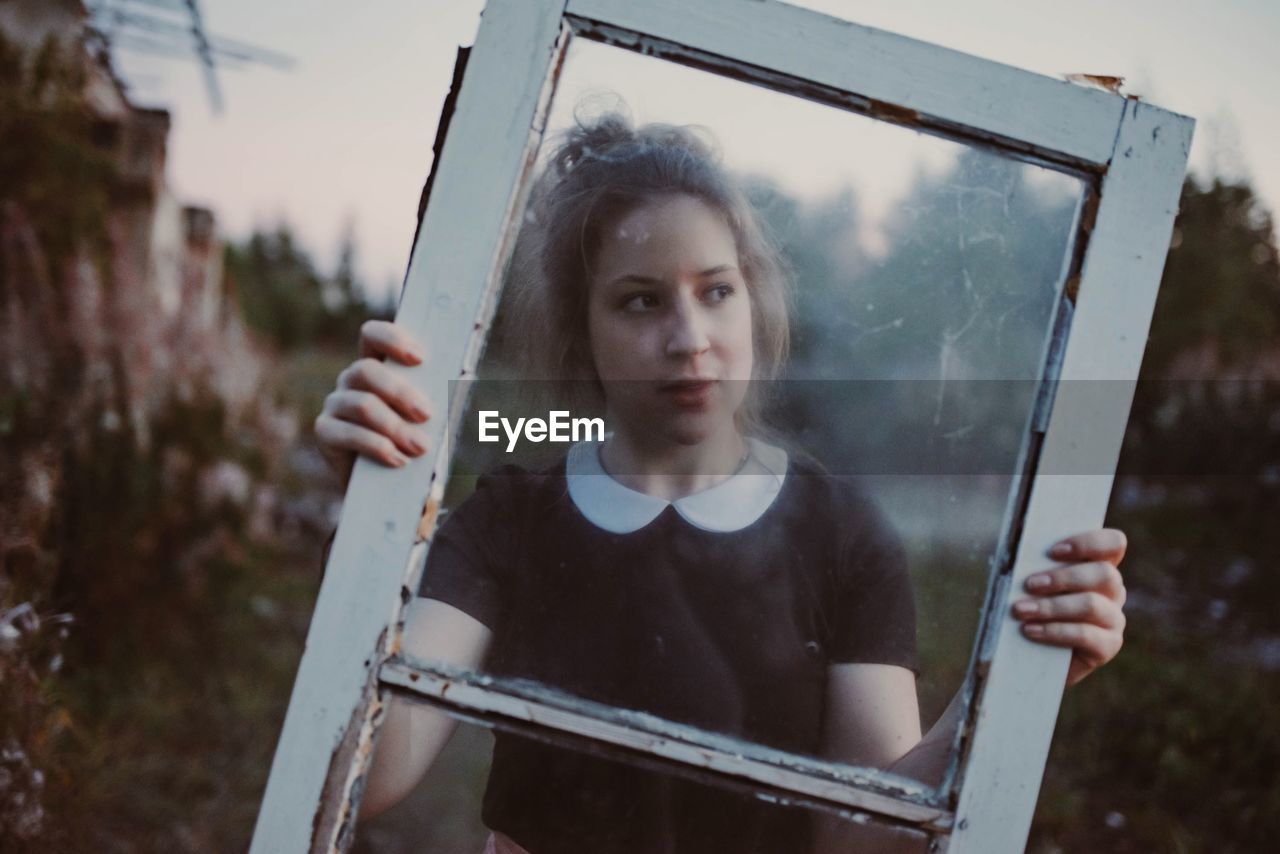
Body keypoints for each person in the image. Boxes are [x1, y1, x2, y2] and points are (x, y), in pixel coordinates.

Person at [314, 113, 1128, 853]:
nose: (690, 338)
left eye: (716, 291)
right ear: (581, 329)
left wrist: (1008, 680)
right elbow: (368, 775)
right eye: (639, 302)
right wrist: (370, 528)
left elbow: (860, 840)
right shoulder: (510, 518)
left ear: (753, 300)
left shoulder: (842, 534)